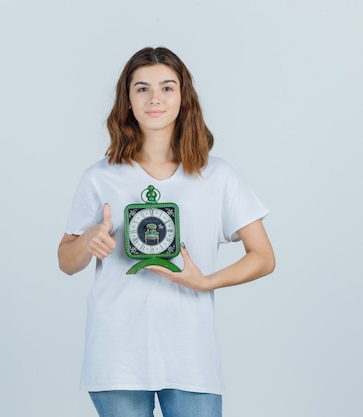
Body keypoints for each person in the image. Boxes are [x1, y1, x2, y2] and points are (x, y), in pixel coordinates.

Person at [57, 47, 275, 417]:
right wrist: (90, 240)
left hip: (191, 355)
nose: (154, 98)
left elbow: (263, 257)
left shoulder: (217, 176)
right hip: (116, 355)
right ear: (127, 100)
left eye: (167, 87)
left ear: (183, 97)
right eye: (141, 88)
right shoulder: (100, 176)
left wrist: (204, 282)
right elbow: (66, 260)